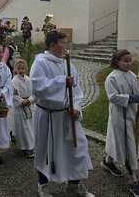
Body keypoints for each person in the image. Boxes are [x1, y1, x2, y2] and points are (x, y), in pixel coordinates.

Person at [30, 31, 94, 197]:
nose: (67, 46)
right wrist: (61, 81)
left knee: (77, 149)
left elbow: (78, 91)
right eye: (63, 43)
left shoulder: (69, 64)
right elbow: (38, 87)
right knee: (46, 151)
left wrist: (77, 108)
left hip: (67, 116)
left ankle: (74, 185)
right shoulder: (40, 62)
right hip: (49, 116)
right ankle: (43, 186)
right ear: (52, 45)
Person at [102, 49, 139, 197]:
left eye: (130, 60)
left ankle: (108, 161)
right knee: (121, 142)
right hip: (119, 117)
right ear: (116, 62)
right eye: (125, 61)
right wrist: (130, 98)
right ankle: (133, 179)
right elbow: (113, 97)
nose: (129, 63)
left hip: (132, 116)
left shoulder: (133, 76)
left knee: (129, 144)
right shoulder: (111, 78)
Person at [12, 59, 35, 158]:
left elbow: (34, 93)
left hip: (29, 105)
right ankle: (25, 148)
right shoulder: (14, 81)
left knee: (30, 127)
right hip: (20, 107)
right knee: (23, 128)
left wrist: (30, 100)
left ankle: (32, 145)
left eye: (23, 68)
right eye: (19, 69)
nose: (21, 70)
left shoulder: (29, 80)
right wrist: (22, 101)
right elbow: (14, 95)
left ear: (26, 69)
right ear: (15, 69)